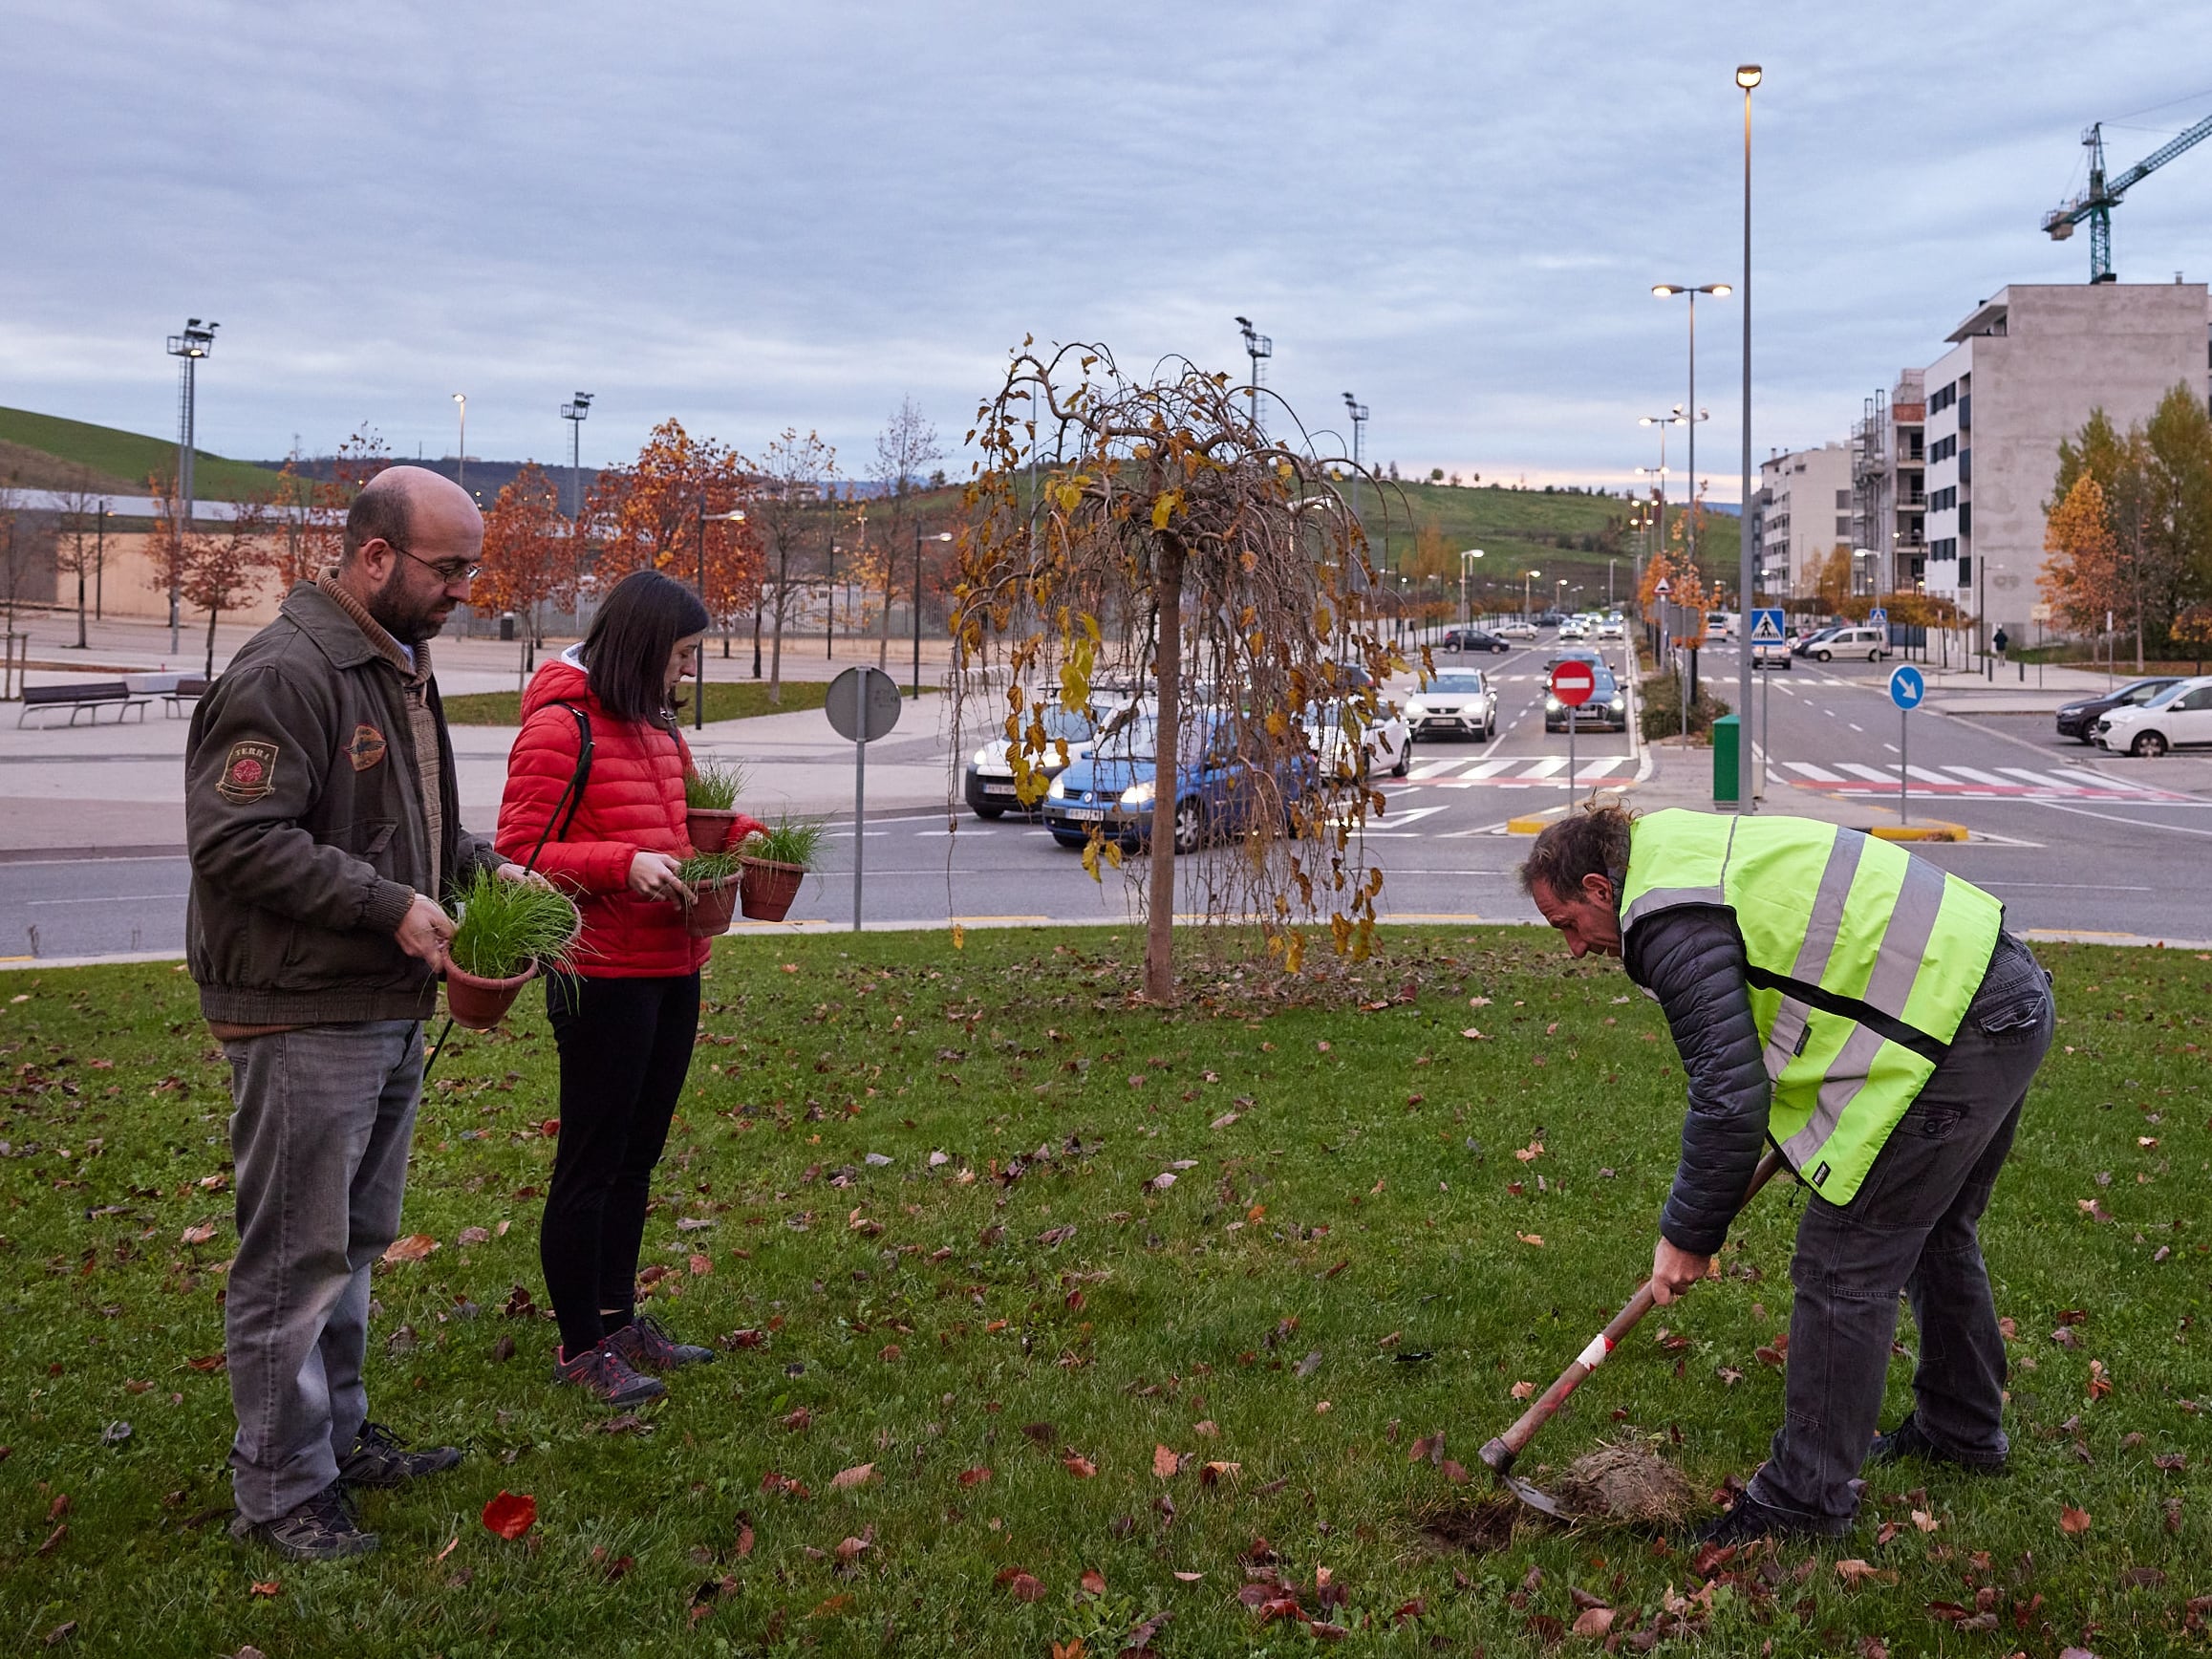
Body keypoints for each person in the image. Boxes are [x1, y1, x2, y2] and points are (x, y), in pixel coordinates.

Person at [1520, 802, 2053, 1544]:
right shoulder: (1677, 848)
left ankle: (1804, 1503)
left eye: (1566, 924)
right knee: (1932, 1234)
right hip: (2000, 986)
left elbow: (1728, 1093)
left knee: (1841, 1261)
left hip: (1962, 1024)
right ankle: (1959, 1430)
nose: (1575, 948)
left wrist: (1687, 1235)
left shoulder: (1663, 915)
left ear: (1597, 887)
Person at [187, 466, 525, 1561]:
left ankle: (330, 1439)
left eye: (470, 568)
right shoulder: (288, 671)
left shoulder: (401, 667)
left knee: (354, 1241)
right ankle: (280, 1485)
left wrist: (484, 870)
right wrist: (391, 906)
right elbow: (238, 839)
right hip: (300, 1012)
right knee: (294, 1257)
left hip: (381, 1001)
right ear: (375, 556)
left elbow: (401, 828)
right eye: (449, 567)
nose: (465, 589)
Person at [496, 571, 764, 1405]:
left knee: (637, 1156)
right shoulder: (559, 726)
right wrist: (621, 865)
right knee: (592, 1159)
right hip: (603, 975)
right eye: (682, 655)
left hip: (672, 966)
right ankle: (582, 1345)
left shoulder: (655, 728)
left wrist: (749, 839)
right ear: (646, 647)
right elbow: (520, 855)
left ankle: (618, 1318)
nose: (687, 672)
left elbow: (684, 825)